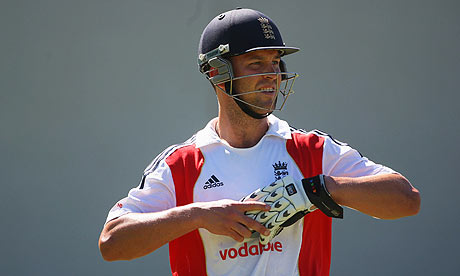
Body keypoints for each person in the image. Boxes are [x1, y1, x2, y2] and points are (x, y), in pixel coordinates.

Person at [98, 8, 420, 276]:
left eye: (275, 62)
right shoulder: (180, 164)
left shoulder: (311, 150)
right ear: (216, 72)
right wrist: (199, 215)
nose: (272, 74)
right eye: (256, 64)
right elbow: (112, 243)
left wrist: (318, 189)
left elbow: (407, 199)